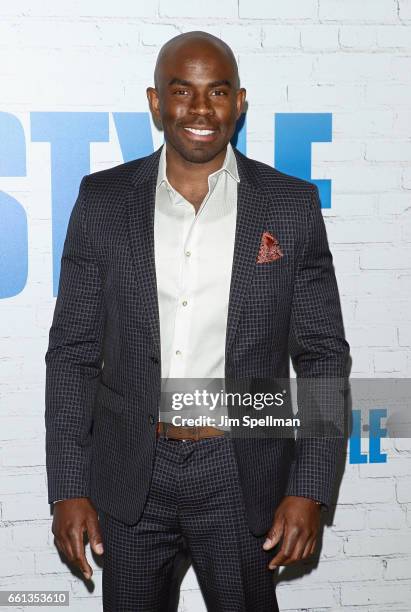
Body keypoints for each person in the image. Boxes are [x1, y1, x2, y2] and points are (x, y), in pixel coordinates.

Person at [45, 31, 350, 611]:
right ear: (156, 102)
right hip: (132, 472)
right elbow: (72, 356)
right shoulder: (104, 201)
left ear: (240, 102)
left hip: (240, 474)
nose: (200, 109)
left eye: (217, 92)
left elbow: (322, 356)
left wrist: (308, 486)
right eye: (182, 91)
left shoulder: (289, 205)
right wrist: (69, 486)